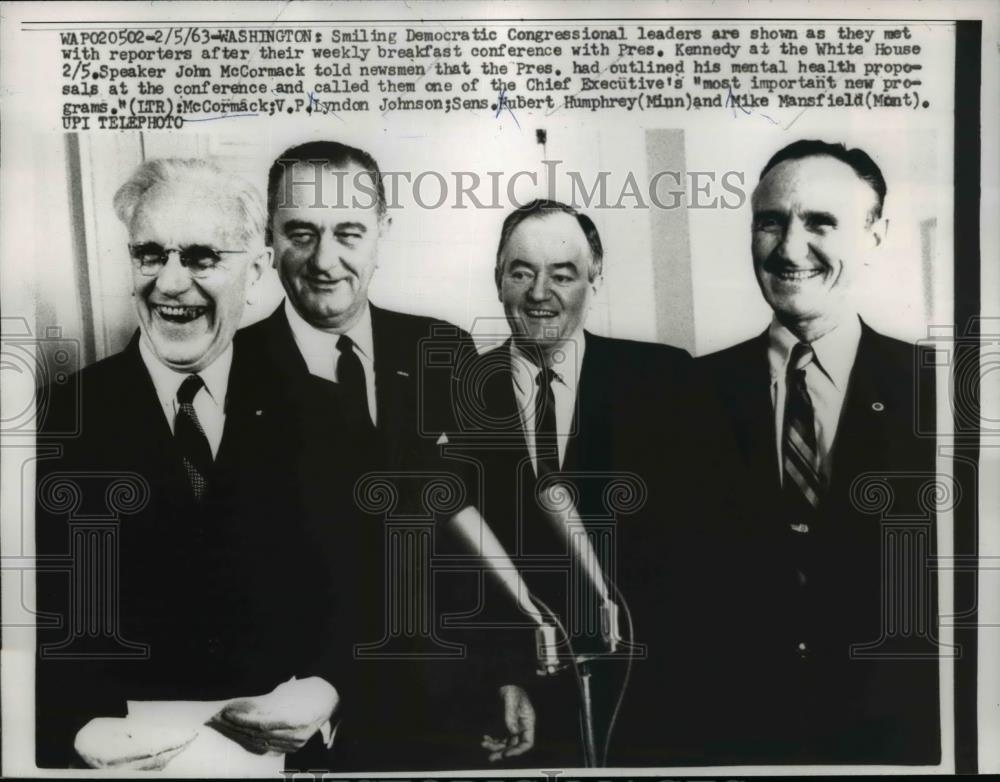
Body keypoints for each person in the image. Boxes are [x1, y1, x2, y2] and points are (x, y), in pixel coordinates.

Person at [35, 158, 342, 770]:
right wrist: (75, 734)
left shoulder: (320, 412)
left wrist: (331, 689)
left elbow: (364, 587)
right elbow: (38, 613)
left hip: (291, 761)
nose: (170, 284)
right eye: (150, 255)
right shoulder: (66, 415)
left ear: (256, 270)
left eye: (201, 257)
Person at [240, 140, 508, 770]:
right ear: (269, 238)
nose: (324, 260)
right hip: (300, 724)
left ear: (383, 231)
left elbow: (487, 526)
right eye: (300, 233)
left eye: (349, 232)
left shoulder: (442, 349)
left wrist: (505, 676)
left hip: (448, 712)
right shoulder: (227, 372)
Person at [455, 199, 734, 766]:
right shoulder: (454, 393)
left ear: (594, 280)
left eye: (563, 274)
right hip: (526, 703)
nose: (540, 293)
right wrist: (503, 677)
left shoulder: (666, 379)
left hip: (656, 696)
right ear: (498, 281)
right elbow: (451, 568)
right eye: (521, 272)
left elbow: (709, 547)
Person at [697, 139, 940, 764]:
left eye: (821, 223)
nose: (788, 248)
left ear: (874, 236)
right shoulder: (686, 393)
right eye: (770, 222)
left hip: (901, 739)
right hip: (734, 736)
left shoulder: (938, 392)